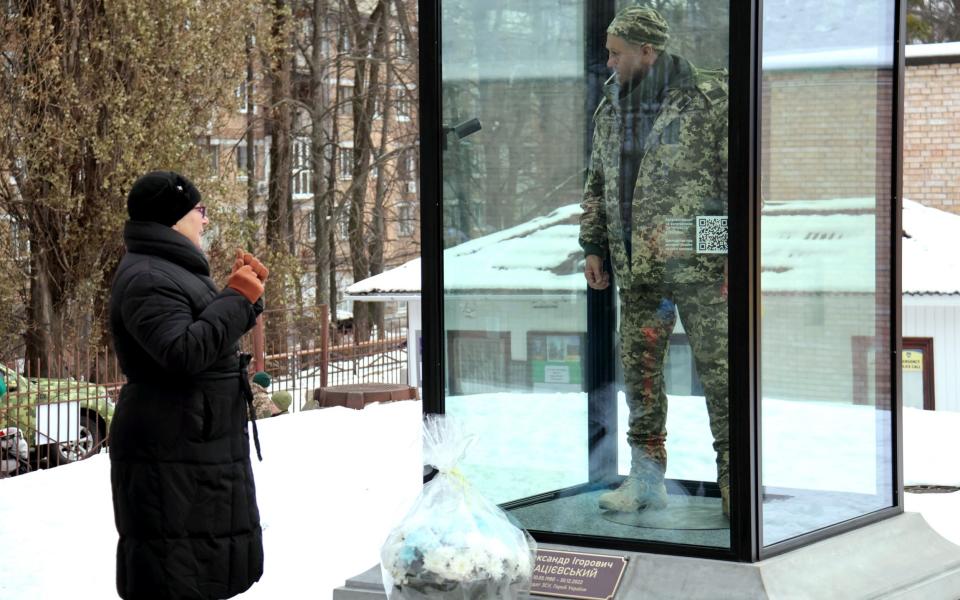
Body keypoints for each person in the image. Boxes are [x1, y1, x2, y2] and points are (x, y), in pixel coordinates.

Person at [579, 6, 730, 516]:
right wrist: (594, 246)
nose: (608, 63)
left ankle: (734, 481)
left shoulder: (709, 97)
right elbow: (596, 183)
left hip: (702, 273)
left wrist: (722, 252)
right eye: (607, 52)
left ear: (648, 51)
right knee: (640, 377)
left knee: (721, 373)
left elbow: (742, 184)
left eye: (616, 53)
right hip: (636, 270)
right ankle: (645, 481)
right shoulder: (611, 105)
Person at [108, 171, 270, 599]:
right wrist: (236, 298)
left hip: (193, 449)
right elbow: (182, 352)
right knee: (176, 576)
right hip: (172, 455)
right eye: (199, 211)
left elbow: (206, 333)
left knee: (202, 572)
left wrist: (246, 296)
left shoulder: (171, 270)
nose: (205, 220)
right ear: (173, 217)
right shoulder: (147, 277)